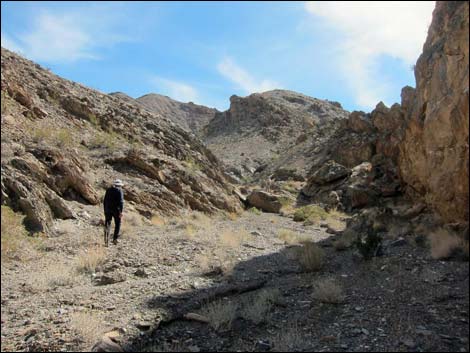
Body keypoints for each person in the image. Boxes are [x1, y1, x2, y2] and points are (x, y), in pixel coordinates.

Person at [103, 179, 124, 245]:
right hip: (116, 210)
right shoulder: (119, 191)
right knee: (117, 224)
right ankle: (115, 239)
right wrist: (121, 212)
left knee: (107, 223)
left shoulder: (108, 190)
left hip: (108, 209)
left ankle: (106, 240)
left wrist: (105, 210)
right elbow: (121, 202)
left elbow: (104, 201)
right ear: (120, 185)